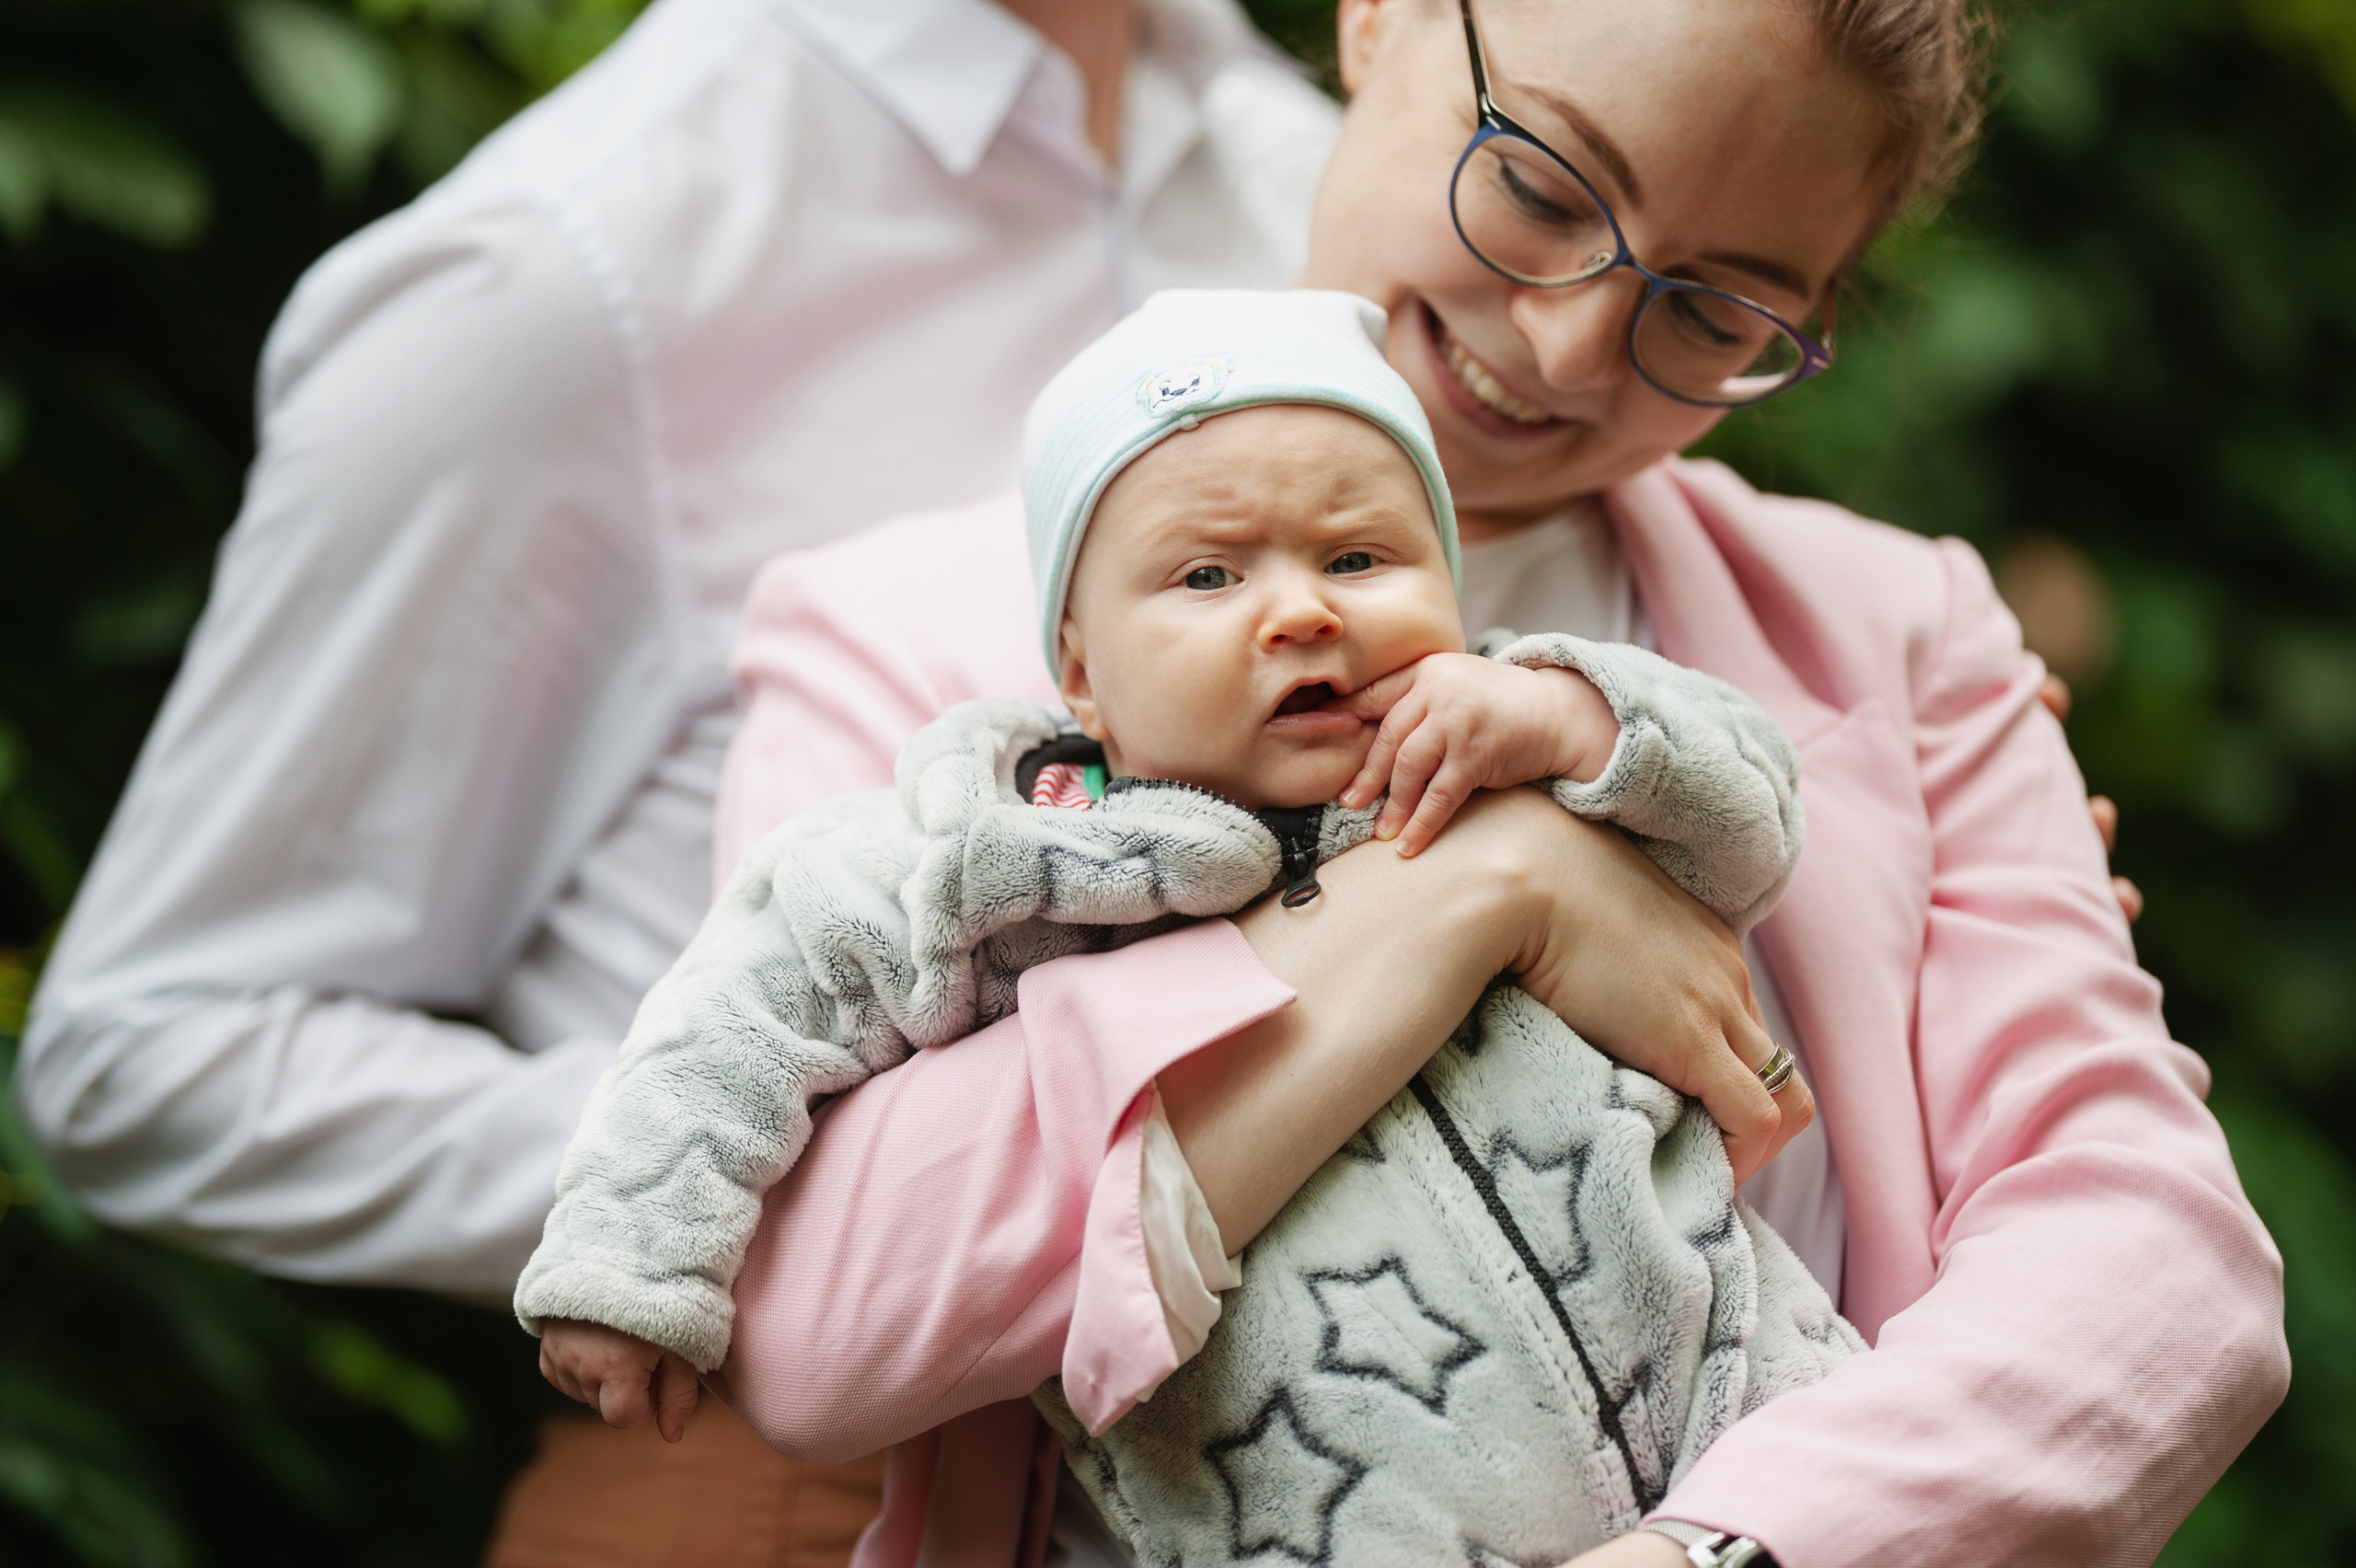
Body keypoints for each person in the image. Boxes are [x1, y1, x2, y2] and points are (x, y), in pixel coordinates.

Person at [697, 2, 2288, 1566]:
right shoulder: (900, 638)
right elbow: (821, 1327)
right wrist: (1480, 890)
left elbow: (2151, 1261)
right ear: (1376, 21)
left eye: (1716, 313)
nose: (1568, 343)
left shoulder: (1898, 628)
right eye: (1538, 186)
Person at [15, 0, 1347, 1557]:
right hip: (796, 1489)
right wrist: (768, 1171)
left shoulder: (1297, 154)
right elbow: (146, 1055)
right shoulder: (566, 277)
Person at [517, 291, 1818, 1486]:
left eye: (1361, 559)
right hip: (1313, 1490)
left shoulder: (1495, 744)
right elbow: (741, 1011)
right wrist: (630, 1262)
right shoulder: (1011, 862)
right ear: (1080, 672)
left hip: (1736, 1394)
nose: (1302, 612)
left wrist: (1576, 720)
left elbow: (1756, 826)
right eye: (1209, 576)